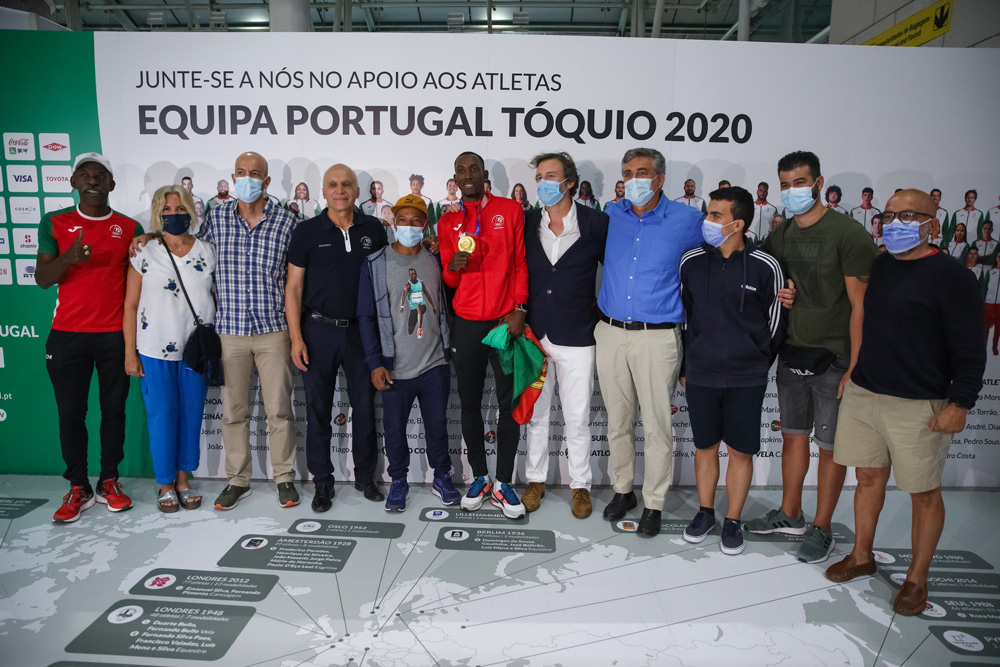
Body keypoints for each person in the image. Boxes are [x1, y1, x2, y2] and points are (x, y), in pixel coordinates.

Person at [824, 189, 985, 616]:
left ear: (934, 223)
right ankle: (862, 555)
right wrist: (854, 371)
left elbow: (971, 349)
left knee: (923, 494)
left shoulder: (954, 277)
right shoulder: (883, 264)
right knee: (868, 479)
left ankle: (917, 578)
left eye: (909, 214)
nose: (896, 222)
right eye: (889, 215)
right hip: (865, 394)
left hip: (919, 404)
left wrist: (960, 404)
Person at [746, 151, 877, 564]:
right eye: (785, 184)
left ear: (819, 183)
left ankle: (822, 526)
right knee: (794, 437)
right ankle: (790, 514)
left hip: (835, 356)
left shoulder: (849, 234)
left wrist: (855, 364)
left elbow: (862, 306)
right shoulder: (781, 235)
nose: (791, 191)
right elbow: (767, 278)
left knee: (831, 447)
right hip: (791, 351)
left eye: (800, 183)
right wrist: (782, 293)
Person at [177, 152, 301, 511]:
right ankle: (238, 480)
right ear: (233, 178)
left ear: (266, 183)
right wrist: (149, 238)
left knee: (279, 410)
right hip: (228, 331)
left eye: (256, 175)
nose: (248, 179)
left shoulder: (287, 222)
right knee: (233, 412)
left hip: (273, 329)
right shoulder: (215, 219)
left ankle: (284, 478)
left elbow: (296, 282)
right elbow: (185, 249)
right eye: (242, 173)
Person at [679, 186, 791, 555]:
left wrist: (757, 358)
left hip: (748, 375)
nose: (706, 221)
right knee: (705, 446)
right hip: (701, 371)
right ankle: (706, 512)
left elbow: (777, 320)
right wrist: (687, 362)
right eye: (707, 213)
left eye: (715, 215)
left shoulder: (766, 265)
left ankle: (733, 519)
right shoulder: (691, 260)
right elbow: (685, 318)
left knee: (741, 451)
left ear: (738, 223)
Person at [597, 147, 703, 537]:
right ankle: (623, 489)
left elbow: (720, 257)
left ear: (659, 179)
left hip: (657, 336)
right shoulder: (611, 215)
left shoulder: (688, 220)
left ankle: (654, 502)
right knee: (618, 420)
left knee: (657, 425)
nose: (634, 178)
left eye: (642, 172)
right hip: (609, 331)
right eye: (627, 171)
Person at [35, 152, 144, 523]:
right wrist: (68, 258)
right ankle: (78, 485)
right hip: (67, 336)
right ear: (73, 182)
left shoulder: (130, 228)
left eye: (101, 176)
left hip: (114, 336)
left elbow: (142, 282)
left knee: (113, 412)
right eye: (85, 174)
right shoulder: (54, 222)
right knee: (71, 414)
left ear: (112, 185)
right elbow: (42, 278)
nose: (93, 180)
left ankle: (109, 481)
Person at [286, 164, 388, 512]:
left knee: (364, 407)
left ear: (358, 191)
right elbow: (294, 288)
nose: (340, 189)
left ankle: (365, 476)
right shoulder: (306, 231)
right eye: (333, 184)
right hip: (318, 331)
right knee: (317, 410)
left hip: (363, 333)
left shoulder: (374, 228)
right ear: (323, 191)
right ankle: (323, 482)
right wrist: (296, 338)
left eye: (347, 184)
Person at [438, 151, 528, 519]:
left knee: (509, 407)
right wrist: (454, 268)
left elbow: (520, 263)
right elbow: (448, 279)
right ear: (455, 179)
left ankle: (504, 483)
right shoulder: (448, 223)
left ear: (484, 174)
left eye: (473, 168)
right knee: (470, 405)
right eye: (460, 170)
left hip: (505, 323)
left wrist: (520, 307)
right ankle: (479, 477)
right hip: (467, 324)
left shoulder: (509, 210)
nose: (468, 175)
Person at [358, 194, 461, 511]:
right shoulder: (376, 263)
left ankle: (442, 477)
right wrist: (375, 363)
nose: (409, 225)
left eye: (417, 220)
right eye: (403, 219)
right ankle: (398, 481)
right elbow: (366, 316)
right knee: (394, 430)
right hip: (394, 368)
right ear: (392, 222)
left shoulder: (434, 258)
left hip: (434, 363)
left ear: (426, 224)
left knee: (437, 426)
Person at [521, 152, 609, 520]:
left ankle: (580, 486)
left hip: (578, 333)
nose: (543, 182)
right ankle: (535, 480)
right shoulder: (525, 222)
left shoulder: (596, 223)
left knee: (578, 417)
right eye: (539, 176)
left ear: (569, 182)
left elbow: (617, 272)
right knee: (537, 416)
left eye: (551, 175)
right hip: (535, 335)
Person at [124, 185, 215, 512]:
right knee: (162, 416)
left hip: (196, 352)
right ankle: (164, 483)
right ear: (157, 213)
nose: (174, 215)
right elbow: (131, 305)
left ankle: (183, 478)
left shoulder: (207, 250)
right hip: (152, 349)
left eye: (180, 210)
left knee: (191, 416)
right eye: (167, 210)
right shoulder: (143, 252)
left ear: (191, 211)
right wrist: (129, 353)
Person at [985, 253, 1000, 356]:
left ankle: (995, 346)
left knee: (998, 326)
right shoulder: (990, 271)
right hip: (989, 301)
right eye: (999, 256)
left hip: (999, 303)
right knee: (986, 325)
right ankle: (983, 345)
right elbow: (985, 287)